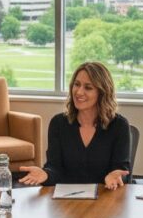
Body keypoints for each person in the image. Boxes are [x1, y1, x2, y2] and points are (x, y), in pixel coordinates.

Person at [19, 61, 131, 190]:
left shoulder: (119, 126)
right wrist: (45, 174)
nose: (78, 92)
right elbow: (55, 168)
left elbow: (122, 172)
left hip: (104, 197)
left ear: (102, 92)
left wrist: (115, 177)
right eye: (76, 85)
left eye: (88, 87)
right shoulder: (58, 123)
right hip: (66, 202)